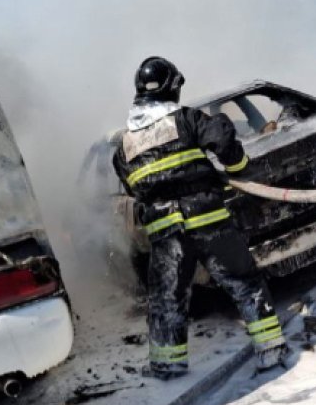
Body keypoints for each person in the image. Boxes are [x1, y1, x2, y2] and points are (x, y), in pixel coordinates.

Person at [112, 57, 287, 378]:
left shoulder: (123, 147)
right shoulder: (188, 120)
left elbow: (135, 189)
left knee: (166, 300)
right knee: (244, 283)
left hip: (165, 231)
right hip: (207, 219)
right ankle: (271, 350)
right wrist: (237, 171)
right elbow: (223, 141)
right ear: (171, 89)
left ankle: (167, 366)